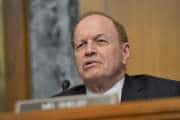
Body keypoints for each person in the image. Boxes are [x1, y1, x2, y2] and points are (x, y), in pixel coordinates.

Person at [54, 12, 180, 102]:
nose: (89, 51)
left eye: (101, 41)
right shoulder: (55, 108)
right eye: (81, 45)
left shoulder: (168, 95)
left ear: (124, 52)